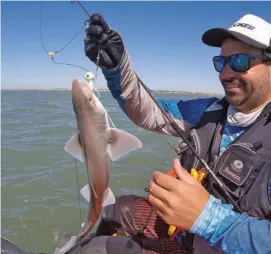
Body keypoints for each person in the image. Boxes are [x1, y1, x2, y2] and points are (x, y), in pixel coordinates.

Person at [83, 13, 271, 253]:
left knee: (97, 249)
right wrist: (116, 67)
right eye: (220, 62)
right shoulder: (209, 111)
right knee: (115, 210)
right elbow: (150, 111)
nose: (225, 74)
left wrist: (208, 219)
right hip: (184, 236)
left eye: (241, 62)